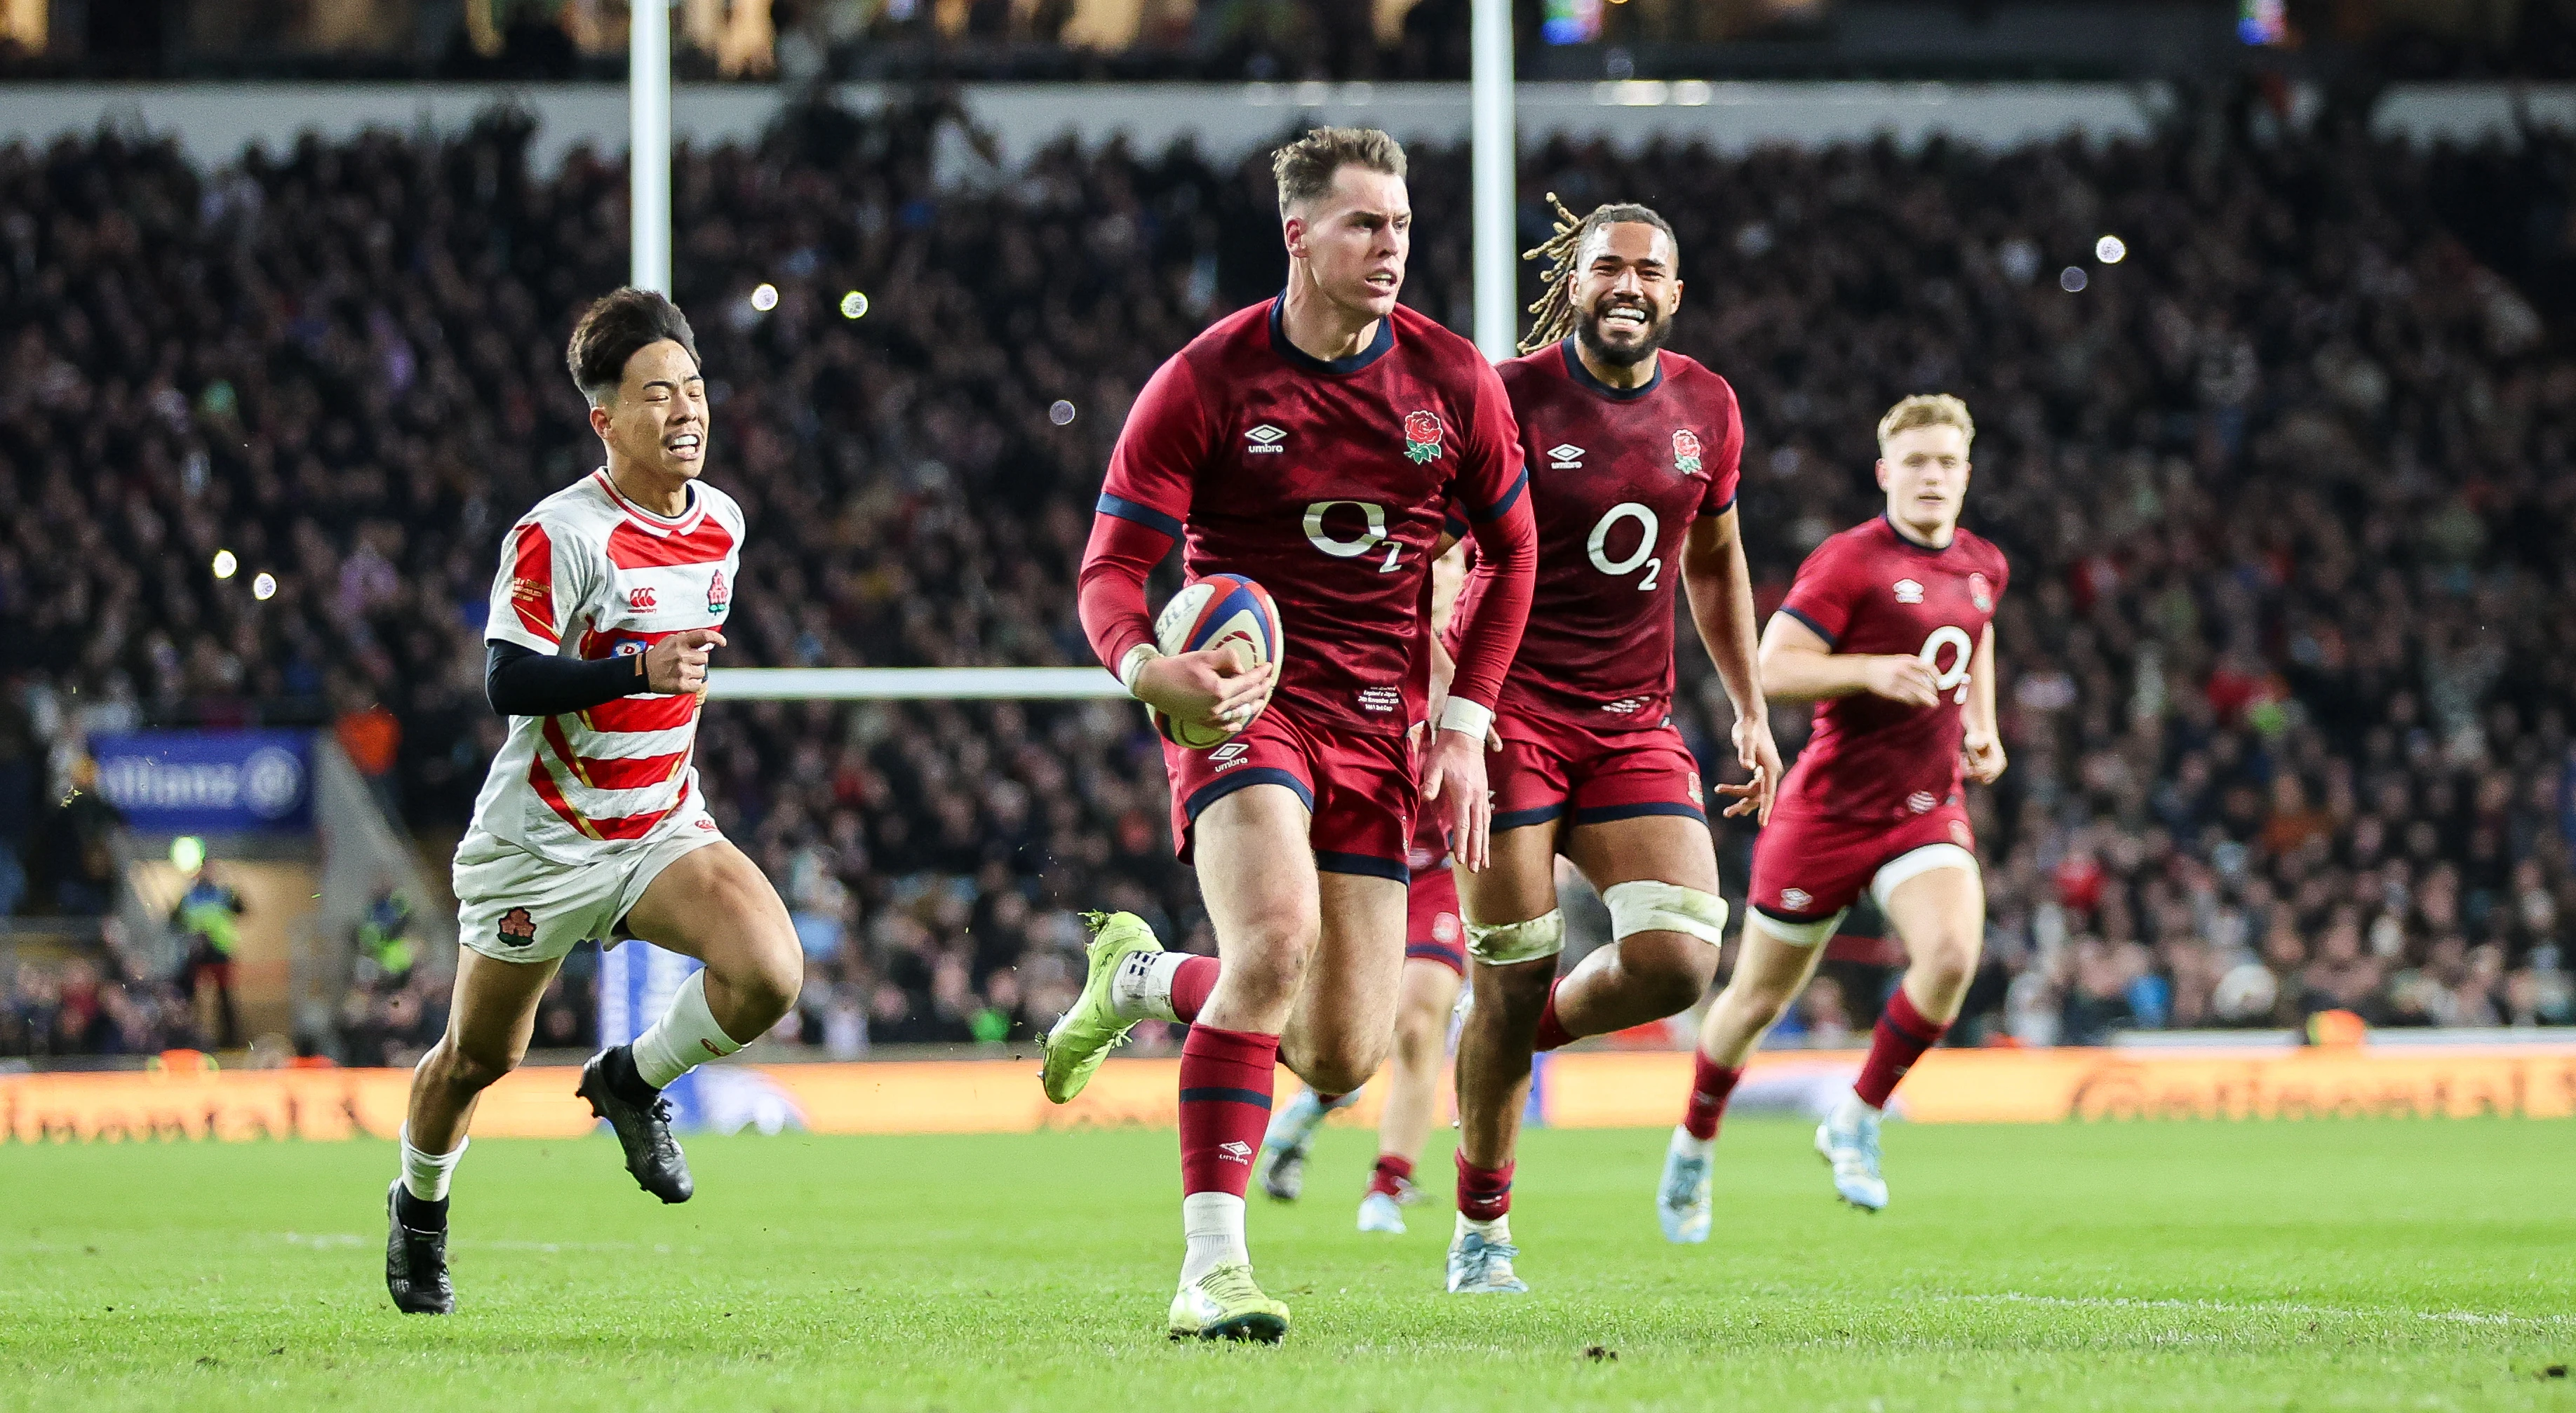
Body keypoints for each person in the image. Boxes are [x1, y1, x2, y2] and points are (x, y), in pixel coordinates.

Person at [1046, 126, 1538, 1343]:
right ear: (1298, 234)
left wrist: (1466, 720)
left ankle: (1145, 976)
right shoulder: (1207, 381)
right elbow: (1111, 565)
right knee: (1273, 942)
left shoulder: (1453, 380)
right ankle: (1210, 1268)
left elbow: (1513, 547)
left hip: (1379, 727)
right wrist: (1148, 662)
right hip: (1241, 706)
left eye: (1403, 226)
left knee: (1336, 1055)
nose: (1390, 249)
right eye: (1366, 224)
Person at [384, 290, 803, 1315]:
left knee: (769, 974)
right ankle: (420, 1205)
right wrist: (633, 665)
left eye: (695, 390)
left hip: (658, 819)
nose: (686, 412)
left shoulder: (724, 525)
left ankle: (630, 1079)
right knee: (481, 1056)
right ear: (605, 419)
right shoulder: (558, 533)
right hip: (545, 841)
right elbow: (506, 681)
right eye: (658, 395)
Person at [1440, 196, 1779, 1294]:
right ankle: (1483, 1232)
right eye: (1607, 268)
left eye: (1649, 271)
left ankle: (1514, 1026)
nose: (1627, 284)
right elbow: (1436, 553)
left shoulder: (1710, 408)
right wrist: (1451, 707)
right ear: (1572, 282)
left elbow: (1715, 561)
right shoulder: (1506, 395)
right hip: (1511, 716)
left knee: (1681, 956)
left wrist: (1752, 705)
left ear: (1676, 294)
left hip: (1633, 720)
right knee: (1513, 956)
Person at [1663, 393, 2007, 1231]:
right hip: (1826, 814)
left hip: (1923, 808)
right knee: (1752, 1004)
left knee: (1954, 953)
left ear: (1966, 474)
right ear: (1887, 473)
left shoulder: (1983, 562)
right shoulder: (1849, 561)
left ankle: (1856, 1117)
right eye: (1916, 462)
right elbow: (1771, 665)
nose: (1932, 477)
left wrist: (1981, 725)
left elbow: (1978, 629)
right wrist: (1869, 671)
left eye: (1946, 463)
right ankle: (1694, 1144)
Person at [1254, 547, 1477, 1235]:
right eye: (1430, 566)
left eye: (1453, 567)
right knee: (1350, 1032)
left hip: (1439, 871)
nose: (1440, 577)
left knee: (1418, 1019)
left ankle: (1388, 1184)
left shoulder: (1489, 655)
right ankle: (1316, 1103)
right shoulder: (1370, 643)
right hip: (1358, 855)